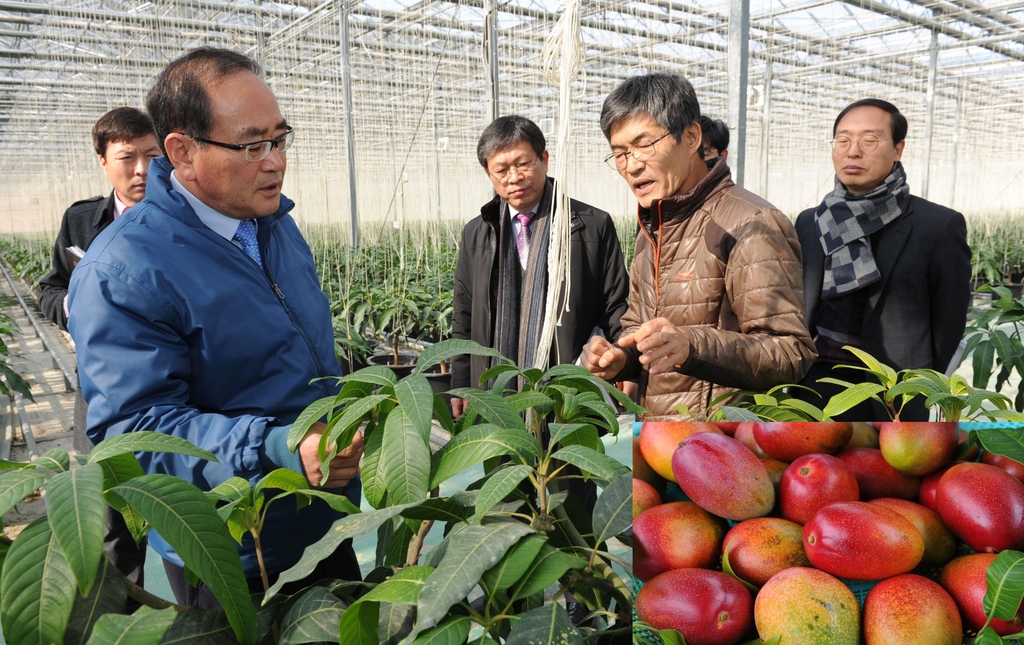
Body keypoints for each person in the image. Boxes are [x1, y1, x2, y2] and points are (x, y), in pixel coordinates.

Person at [68, 47, 363, 608]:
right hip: (232, 546)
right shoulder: (125, 268)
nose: (275, 160)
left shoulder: (273, 226)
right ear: (181, 151)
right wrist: (277, 448)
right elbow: (136, 431)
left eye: (280, 139)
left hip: (324, 519)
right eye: (252, 145)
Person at [580, 73, 816, 420]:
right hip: (659, 438)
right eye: (619, 153)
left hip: (721, 441)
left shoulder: (750, 222)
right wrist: (620, 359)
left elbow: (789, 351)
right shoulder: (655, 222)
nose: (631, 165)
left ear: (690, 137)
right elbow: (638, 322)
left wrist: (691, 346)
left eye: (644, 145)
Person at [37, 106, 161, 595]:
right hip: (103, 391)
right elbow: (48, 289)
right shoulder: (82, 221)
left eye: (153, 156)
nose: (142, 170)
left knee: (184, 506)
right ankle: (119, 614)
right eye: (127, 157)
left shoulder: (191, 217)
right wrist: (72, 305)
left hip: (177, 389)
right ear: (103, 161)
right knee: (110, 516)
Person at [794, 98, 971, 421]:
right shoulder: (811, 222)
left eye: (869, 140)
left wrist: (919, 385)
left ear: (898, 148)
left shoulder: (936, 225)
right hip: (815, 381)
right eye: (843, 140)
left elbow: (949, 321)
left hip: (895, 393)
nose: (853, 151)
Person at [450, 115, 629, 414]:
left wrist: (623, 364)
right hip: (494, 393)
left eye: (523, 163)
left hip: (571, 389)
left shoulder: (591, 225)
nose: (514, 177)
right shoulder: (476, 233)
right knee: (506, 458)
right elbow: (464, 317)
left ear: (544, 159)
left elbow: (617, 307)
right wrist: (461, 383)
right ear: (488, 174)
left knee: (566, 458)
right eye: (501, 170)